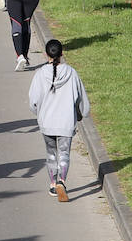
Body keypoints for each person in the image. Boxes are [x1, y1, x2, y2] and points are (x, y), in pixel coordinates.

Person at [28, 38, 90, 202]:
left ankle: (52, 183)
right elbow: (80, 98)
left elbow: (33, 100)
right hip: (66, 122)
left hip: (47, 122)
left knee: (51, 154)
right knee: (64, 154)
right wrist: (81, 113)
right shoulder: (71, 72)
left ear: (45, 54)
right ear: (62, 53)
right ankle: (62, 181)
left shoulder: (40, 74)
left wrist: (37, 112)